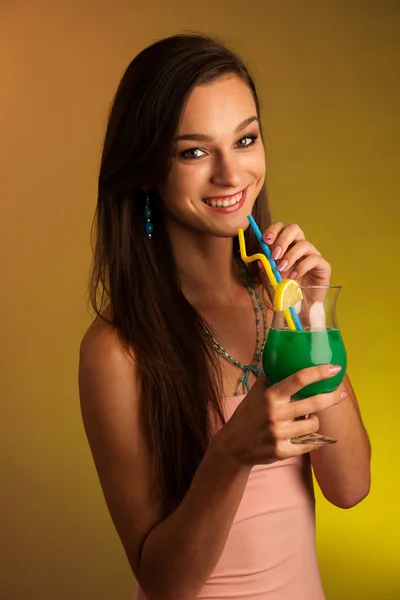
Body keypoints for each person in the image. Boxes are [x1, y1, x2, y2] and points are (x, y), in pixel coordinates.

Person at [79, 33, 371, 600]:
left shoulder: (279, 306)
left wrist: (312, 316)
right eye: (194, 151)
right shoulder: (117, 350)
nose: (231, 174)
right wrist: (232, 452)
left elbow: (351, 486)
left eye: (245, 139)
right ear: (145, 170)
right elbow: (164, 583)